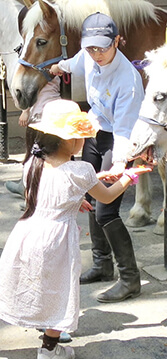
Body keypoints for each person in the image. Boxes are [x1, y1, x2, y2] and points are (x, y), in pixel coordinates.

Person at [0, 99, 151, 359]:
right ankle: (49, 349)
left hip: (27, 233)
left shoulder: (32, 164)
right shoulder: (80, 169)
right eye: (81, 136)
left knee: (25, 283)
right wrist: (128, 176)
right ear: (70, 141)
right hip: (56, 241)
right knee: (59, 290)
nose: (84, 141)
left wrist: (74, 199)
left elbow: (44, 193)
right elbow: (106, 196)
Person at [50, 12, 145, 303]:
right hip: (93, 132)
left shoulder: (128, 80)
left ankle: (130, 279)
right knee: (89, 198)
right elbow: (74, 63)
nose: (96, 54)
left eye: (103, 47)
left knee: (106, 210)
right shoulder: (89, 56)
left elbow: (125, 130)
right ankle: (102, 265)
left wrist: (120, 164)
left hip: (117, 141)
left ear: (117, 40)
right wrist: (56, 67)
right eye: (91, 47)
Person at [5, 76, 61, 199]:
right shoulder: (55, 67)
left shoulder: (38, 67)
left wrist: (25, 111)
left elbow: (32, 90)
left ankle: (29, 192)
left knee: (34, 157)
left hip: (40, 115)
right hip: (54, 112)